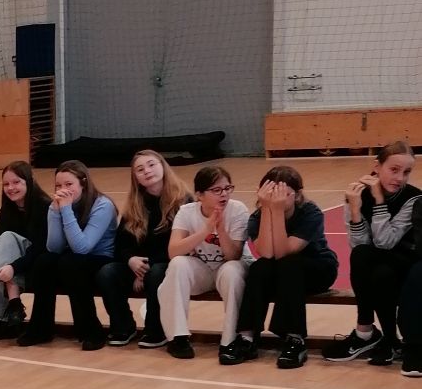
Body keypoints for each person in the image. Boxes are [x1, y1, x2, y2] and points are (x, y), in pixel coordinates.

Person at [223, 164, 338, 369]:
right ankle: (247, 337)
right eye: (270, 193)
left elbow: (285, 251)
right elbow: (267, 254)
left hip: (317, 268)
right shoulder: (257, 217)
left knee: (290, 264)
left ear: (297, 195)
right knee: (259, 268)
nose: (276, 198)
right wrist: (268, 210)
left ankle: (295, 338)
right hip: (282, 271)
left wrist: (275, 210)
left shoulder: (310, 213)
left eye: (283, 193)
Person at [323, 141, 420, 366]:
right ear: (377, 167)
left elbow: (386, 242)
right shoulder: (356, 194)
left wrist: (378, 201)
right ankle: (384, 338)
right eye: (394, 170)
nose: (400, 178)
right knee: (373, 266)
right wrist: (355, 211)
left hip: (408, 264)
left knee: (377, 266)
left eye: (406, 172)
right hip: (380, 264)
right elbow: (359, 245)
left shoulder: (413, 198)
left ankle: (369, 333)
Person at [17, 160, 118, 349]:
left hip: (100, 257)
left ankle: (91, 331)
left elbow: (83, 247)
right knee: (44, 261)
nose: (63, 189)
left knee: (71, 263)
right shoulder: (56, 205)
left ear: (83, 183)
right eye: (58, 185)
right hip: (72, 256)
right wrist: (55, 213)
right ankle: (40, 329)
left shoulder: (103, 205)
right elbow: (54, 247)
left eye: (69, 184)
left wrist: (66, 210)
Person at [97, 149, 188, 347]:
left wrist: (145, 269)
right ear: (135, 178)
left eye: (151, 165)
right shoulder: (134, 206)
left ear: (163, 166)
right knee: (108, 272)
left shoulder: (183, 201)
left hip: (168, 264)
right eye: (140, 169)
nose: (147, 171)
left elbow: (180, 245)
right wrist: (130, 260)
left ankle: (156, 330)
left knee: (157, 273)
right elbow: (121, 244)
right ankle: (123, 327)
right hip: (137, 266)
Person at [158, 165, 250, 360]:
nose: (224, 194)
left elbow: (233, 255)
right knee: (178, 265)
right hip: (203, 270)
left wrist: (221, 229)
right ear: (199, 195)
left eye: (227, 188)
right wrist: (205, 230)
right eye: (216, 190)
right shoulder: (186, 212)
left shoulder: (238, 210)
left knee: (232, 270)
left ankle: (230, 339)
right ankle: (178, 337)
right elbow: (173, 251)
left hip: (228, 268)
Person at [0, 160, 49, 326]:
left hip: (36, 263)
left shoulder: (44, 207)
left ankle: (9, 311)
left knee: (7, 238)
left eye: (16, 182)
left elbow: (40, 248)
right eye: (6, 184)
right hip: (11, 264)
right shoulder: (7, 210)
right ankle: (13, 309)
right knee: (1, 244)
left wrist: (13, 268)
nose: (10, 188)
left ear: (28, 182)